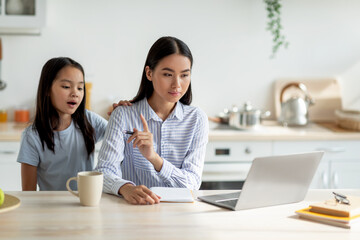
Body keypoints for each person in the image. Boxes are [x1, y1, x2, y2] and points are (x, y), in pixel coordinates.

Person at [95, 36, 209, 205]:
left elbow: (192, 184)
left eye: (184, 75)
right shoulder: (123, 115)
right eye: (168, 74)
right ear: (149, 73)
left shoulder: (197, 119)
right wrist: (126, 188)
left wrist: (154, 158)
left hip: (180, 217)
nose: (177, 84)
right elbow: (103, 172)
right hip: (133, 212)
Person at [17, 57, 108, 191]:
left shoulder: (89, 120)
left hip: (85, 205)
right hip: (50, 209)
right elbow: (28, 192)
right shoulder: (32, 136)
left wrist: (122, 113)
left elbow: (121, 136)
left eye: (80, 88)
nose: (75, 93)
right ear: (47, 89)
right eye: (66, 86)